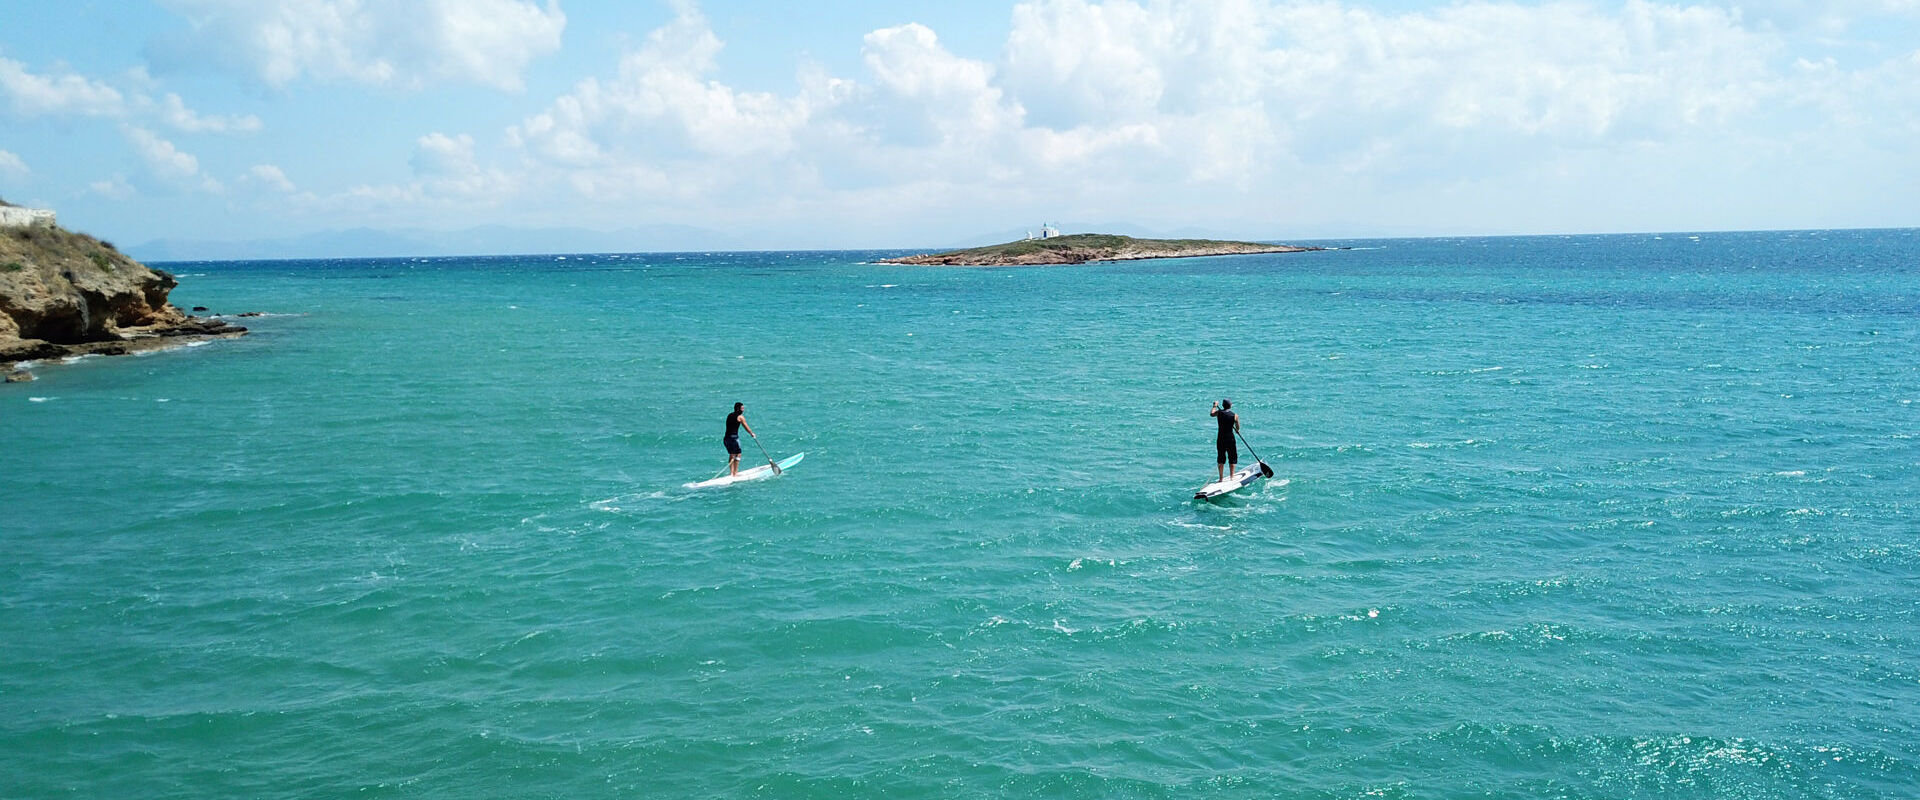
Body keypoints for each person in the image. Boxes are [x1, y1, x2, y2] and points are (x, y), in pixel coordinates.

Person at [1210, 399, 1239, 481]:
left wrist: (1214, 406)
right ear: (1230, 405)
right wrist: (1237, 430)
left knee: (1221, 457)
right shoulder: (1235, 415)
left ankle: (1221, 478)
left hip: (1221, 438)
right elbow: (1237, 428)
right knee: (1232, 457)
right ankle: (1232, 477)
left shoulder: (1219, 413)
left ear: (1223, 405)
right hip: (1230, 438)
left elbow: (1211, 414)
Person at [724, 401, 755, 476]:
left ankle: (731, 473)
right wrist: (751, 433)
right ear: (738, 409)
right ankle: (735, 473)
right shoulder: (740, 417)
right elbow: (746, 426)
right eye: (742, 408)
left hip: (726, 438)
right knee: (738, 454)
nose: (743, 410)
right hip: (734, 439)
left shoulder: (730, 415)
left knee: (732, 454)